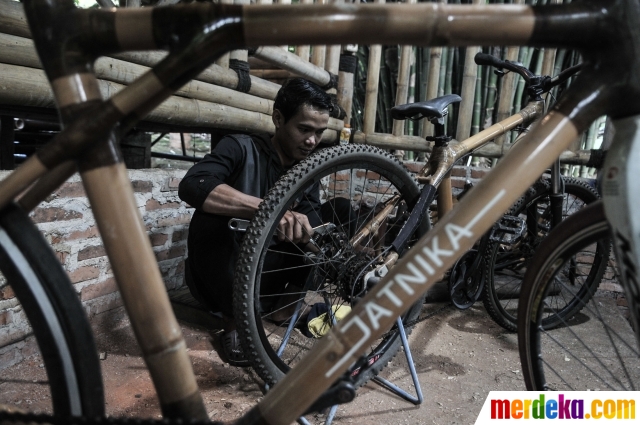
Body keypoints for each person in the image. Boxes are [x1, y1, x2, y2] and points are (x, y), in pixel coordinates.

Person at [178, 78, 335, 366]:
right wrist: (269, 210)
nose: (312, 141)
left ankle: (284, 309)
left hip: (270, 278)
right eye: (304, 129)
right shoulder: (239, 147)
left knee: (334, 218)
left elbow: (313, 223)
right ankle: (236, 322)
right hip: (222, 281)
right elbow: (193, 184)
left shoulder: (307, 170)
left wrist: (309, 233)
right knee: (211, 219)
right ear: (278, 119)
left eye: (319, 132)